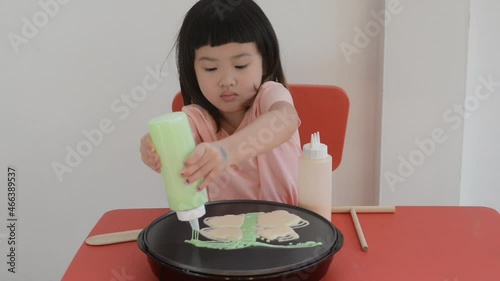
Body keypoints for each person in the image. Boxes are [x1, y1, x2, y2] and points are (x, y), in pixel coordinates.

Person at [140, 0, 301, 205]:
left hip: (289, 226)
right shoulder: (197, 119)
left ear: (265, 60)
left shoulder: (269, 96)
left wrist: (226, 152)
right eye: (210, 68)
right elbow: (177, 131)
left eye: (241, 65)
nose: (226, 81)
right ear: (193, 71)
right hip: (219, 230)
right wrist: (154, 144)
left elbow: (284, 120)